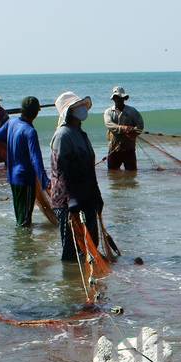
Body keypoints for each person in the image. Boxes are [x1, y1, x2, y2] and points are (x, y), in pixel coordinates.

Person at [49, 92, 105, 265]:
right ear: (68, 112)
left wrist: (97, 194)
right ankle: (71, 287)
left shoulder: (81, 134)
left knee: (91, 243)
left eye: (81, 105)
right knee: (71, 251)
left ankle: (92, 283)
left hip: (86, 196)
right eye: (76, 107)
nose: (81, 109)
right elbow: (62, 169)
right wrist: (71, 198)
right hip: (68, 202)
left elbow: (89, 168)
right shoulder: (62, 135)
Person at [0, 96, 55, 228]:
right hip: (25, 179)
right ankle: (24, 246)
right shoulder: (30, 131)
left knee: (20, 215)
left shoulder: (12, 123)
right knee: (25, 220)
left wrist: (13, 143)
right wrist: (45, 182)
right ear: (36, 113)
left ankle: (19, 245)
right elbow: (36, 159)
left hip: (12, 177)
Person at [103, 87, 145, 171]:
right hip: (114, 148)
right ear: (113, 99)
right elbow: (109, 124)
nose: (118, 99)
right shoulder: (108, 112)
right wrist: (123, 128)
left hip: (129, 148)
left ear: (124, 98)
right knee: (112, 173)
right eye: (116, 97)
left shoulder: (132, 111)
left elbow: (140, 125)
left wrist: (134, 132)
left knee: (131, 173)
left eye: (119, 97)